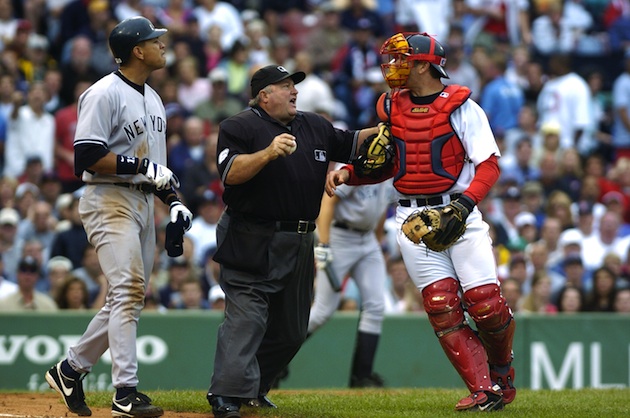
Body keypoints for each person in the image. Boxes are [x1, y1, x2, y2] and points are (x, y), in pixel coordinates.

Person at [325, 32, 516, 412]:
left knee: (485, 304)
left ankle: (501, 372)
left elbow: (489, 165)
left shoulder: (463, 107)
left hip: (457, 211)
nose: (393, 67)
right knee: (442, 304)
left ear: (425, 64)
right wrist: (352, 173)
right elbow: (392, 165)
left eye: (402, 59)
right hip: (411, 216)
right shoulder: (391, 107)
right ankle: (483, 389)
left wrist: (463, 206)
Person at [206, 64, 379, 418]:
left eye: (294, 85)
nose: (294, 92)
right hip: (251, 234)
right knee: (248, 317)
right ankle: (225, 393)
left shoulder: (313, 124)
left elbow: (352, 142)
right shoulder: (239, 126)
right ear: (264, 95)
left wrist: (394, 126)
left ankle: (254, 388)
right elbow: (230, 173)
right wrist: (268, 153)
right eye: (285, 86)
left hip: (300, 236)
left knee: (292, 329)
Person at [44, 16, 193, 418]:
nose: (163, 45)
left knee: (127, 297)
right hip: (108, 198)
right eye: (154, 40)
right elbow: (86, 156)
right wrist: (145, 171)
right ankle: (125, 391)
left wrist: (174, 201)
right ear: (136, 50)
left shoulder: (155, 98)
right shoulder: (103, 92)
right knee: (127, 290)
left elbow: (155, 167)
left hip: (143, 202)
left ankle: (70, 368)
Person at [308, 170, 394, 388]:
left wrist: (378, 240)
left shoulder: (391, 168)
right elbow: (328, 202)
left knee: (375, 305)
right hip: (340, 236)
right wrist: (323, 243)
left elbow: (382, 207)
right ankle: (276, 359)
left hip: (367, 239)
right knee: (322, 312)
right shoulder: (357, 163)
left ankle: (362, 376)